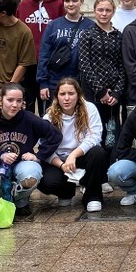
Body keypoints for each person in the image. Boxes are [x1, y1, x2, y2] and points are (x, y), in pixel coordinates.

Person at [0, 83, 62, 218]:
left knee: (32, 174)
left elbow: (55, 135)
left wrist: (39, 155)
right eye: (10, 100)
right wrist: (1, 156)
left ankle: (20, 200)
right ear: (0, 100)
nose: (14, 105)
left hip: (20, 162)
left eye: (19, 101)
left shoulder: (28, 118)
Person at [39, 78, 108, 213]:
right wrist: (61, 164)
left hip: (82, 155)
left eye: (71, 94)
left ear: (78, 95)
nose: (66, 98)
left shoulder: (90, 108)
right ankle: (65, 192)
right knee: (46, 182)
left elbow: (94, 136)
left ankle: (92, 195)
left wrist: (73, 155)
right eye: (62, 94)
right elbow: (44, 148)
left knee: (99, 153)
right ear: (57, 96)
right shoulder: (48, 118)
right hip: (59, 161)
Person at [76, 0, 125, 165]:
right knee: (92, 132)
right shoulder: (87, 34)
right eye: (100, 10)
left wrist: (117, 92)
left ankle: (110, 170)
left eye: (108, 10)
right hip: (93, 93)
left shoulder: (119, 36)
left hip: (113, 96)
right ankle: (95, 173)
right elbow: (84, 65)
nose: (104, 14)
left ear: (113, 12)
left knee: (111, 132)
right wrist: (101, 91)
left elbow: (121, 65)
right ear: (95, 11)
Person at [16, 0, 65, 113]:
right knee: (26, 108)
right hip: (27, 66)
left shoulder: (60, 5)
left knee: (50, 110)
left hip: (51, 65)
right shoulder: (23, 5)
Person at [37, 0, 94, 104]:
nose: (71, 4)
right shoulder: (53, 25)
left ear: (81, 1)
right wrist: (43, 83)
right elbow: (44, 55)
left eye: (74, 0)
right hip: (55, 83)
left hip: (80, 83)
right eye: (67, 1)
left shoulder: (90, 26)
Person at [0, 0, 37, 103]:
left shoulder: (24, 32)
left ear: (3, 13)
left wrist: (8, 89)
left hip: (8, 91)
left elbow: (24, 64)